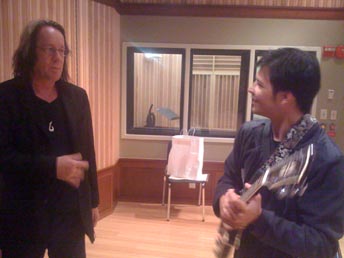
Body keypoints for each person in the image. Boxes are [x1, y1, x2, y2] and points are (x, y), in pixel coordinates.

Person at [213, 48, 344, 258]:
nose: (251, 89)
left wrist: (258, 220)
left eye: (259, 84)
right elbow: (229, 179)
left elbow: (322, 245)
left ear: (285, 97)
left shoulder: (327, 159)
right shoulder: (249, 134)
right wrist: (223, 199)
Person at [0, 20, 99, 258]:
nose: (58, 57)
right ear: (30, 52)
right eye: (50, 50)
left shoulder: (77, 97)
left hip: (69, 214)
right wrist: (53, 167)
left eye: (62, 51)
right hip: (23, 214)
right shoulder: (6, 97)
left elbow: (88, 153)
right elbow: (4, 158)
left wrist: (93, 202)